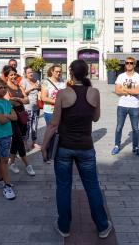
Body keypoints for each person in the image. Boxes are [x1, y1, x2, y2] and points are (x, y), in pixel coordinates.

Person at [42, 60, 113, 239]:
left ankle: (64, 226)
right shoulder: (94, 92)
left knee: (64, 187)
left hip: (65, 147)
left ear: (71, 73)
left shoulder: (63, 94)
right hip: (86, 147)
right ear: (87, 73)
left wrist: (44, 146)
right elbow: (96, 118)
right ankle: (103, 226)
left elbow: (53, 124)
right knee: (92, 187)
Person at [3, 66, 35, 176]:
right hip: (12, 116)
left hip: (22, 115)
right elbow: (9, 102)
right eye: (11, 75)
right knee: (19, 140)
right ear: (6, 76)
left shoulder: (19, 86)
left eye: (14, 74)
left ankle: (11, 162)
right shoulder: (5, 88)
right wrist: (20, 101)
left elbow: (27, 100)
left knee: (17, 140)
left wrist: (18, 99)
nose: (13, 76)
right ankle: (28, 165)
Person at [0, 79, 18, 200]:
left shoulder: (7, 102)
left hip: (8, 133)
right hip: (0, 134)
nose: (3, 89)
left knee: (2, 158)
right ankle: (7, 185)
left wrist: (6, 116)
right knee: (4, 160)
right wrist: (8, 116)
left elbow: (15, 117)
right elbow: (1, 121)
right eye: (0, 87)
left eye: (4, 87)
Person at [112, 57, 139, 157]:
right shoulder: (121, 76)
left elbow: (138, 91)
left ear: (134, 65)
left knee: (135, 129)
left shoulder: (138, 77)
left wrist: (124, 88)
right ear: (125, 64)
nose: (129, 64)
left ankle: (136, 148)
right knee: (119, 127)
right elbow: (117, 91)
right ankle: (117, 146)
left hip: (134, 106)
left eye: (131, 63)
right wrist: (131, 90)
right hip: (122, 106)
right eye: (127, 63)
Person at [21, 66, 41, 150]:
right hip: (27, 108)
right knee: (27, 126)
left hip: (36, 107)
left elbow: (40, 90)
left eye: (31, 72)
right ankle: (25, 142)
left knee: (34, 125)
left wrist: (39, 87)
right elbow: (22, 94)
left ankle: (34, 142)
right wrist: (32, 88)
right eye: (29, 72)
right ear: (25, 74)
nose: (31, 73)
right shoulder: (23, 81)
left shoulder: (36, 81)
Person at [41, 64, 66, 131]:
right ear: (52, 71)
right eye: (56, 71)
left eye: (60, 71)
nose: (59, 73)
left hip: (61, 111)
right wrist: (58, 102)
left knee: (60, 131)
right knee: (51, 131)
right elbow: (43, 98)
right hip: (50, 111)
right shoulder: (46, 82)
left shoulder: (63, 81)